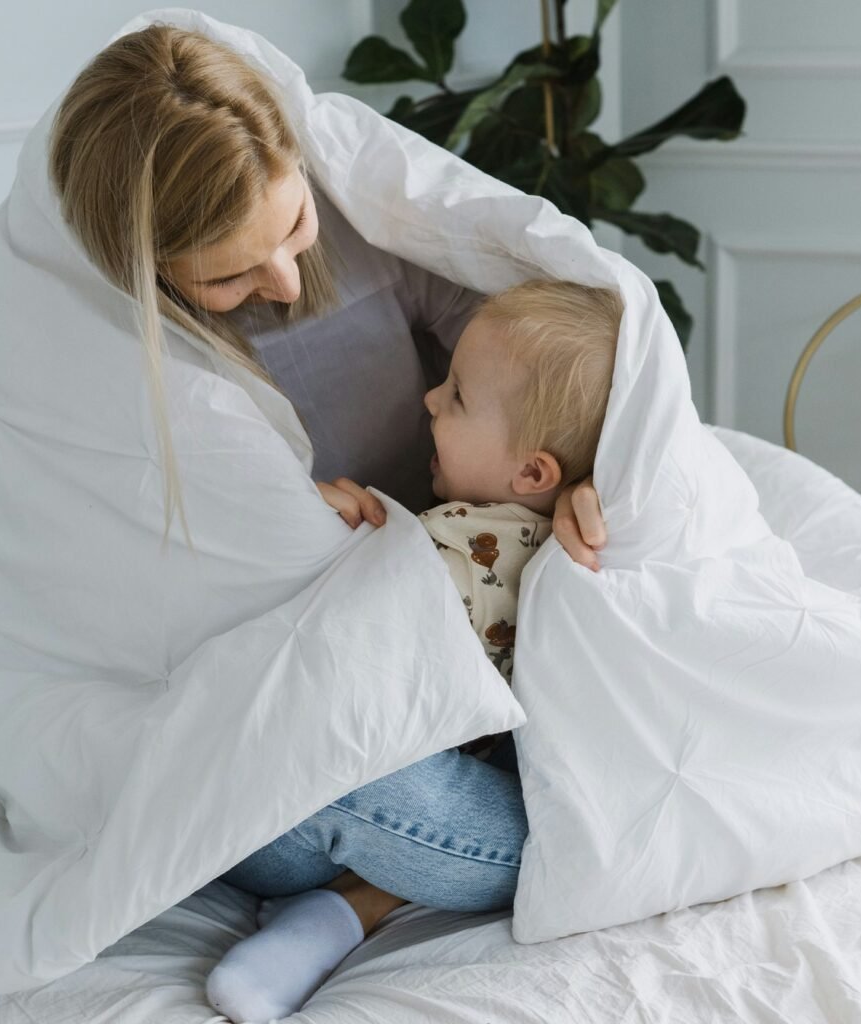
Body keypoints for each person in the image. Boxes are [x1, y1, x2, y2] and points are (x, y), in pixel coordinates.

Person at [47, 23, 608, 1022]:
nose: (288, 286)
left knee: (597, 793)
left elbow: (534, 365)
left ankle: (352, 904)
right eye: (228, 276)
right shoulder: (88, 372)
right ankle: (358, 885)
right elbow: (129, 623)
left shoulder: (370, 233)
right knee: (526, 830)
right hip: (277, 729)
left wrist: (581, 477)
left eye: (295, 228)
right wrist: (287, 538)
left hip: (439, 672)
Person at [207, 278, 622, 1021]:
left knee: (568, 835)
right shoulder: (443, 530)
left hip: (394, 790)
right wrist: (317, 535)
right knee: (351, 761)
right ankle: (357, 900)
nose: (430, 399)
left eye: (456, 395)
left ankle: (349, 909)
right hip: (283, 797)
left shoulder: (568, 550)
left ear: (533, 472)